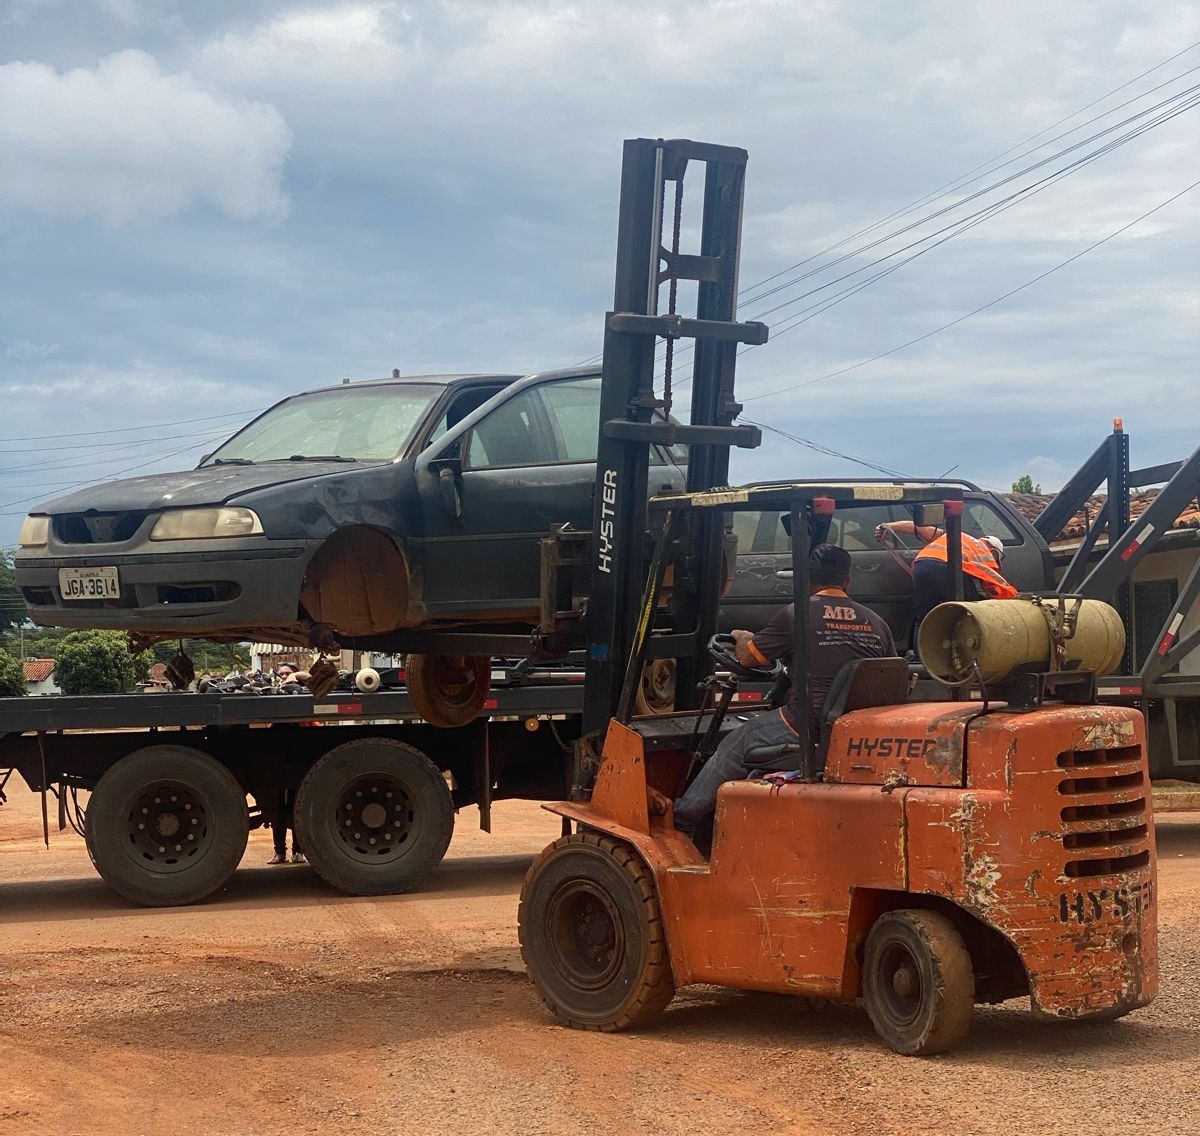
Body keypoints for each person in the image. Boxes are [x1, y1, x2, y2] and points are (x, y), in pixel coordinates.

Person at [673, 543, 897, 840]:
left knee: (739, 739)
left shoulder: (797, 615)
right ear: (846, 582)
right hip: (854, 730)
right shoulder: (877, 623)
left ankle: (683, 820)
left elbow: (748, 659)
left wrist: (742, 637)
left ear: (805, 580)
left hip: (807, 727)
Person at [874, 519, 1017, 645]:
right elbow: (992, 586)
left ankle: (920, 659)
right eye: (998, 558)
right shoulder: (985, 552)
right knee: (972, 612)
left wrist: (888, 526)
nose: (996, 563)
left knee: (923, 617)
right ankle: (971, 652)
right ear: (993, 550)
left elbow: (920, 528)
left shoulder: (957, 535)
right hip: (947, 567)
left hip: (921, 564)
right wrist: (1009, 603)